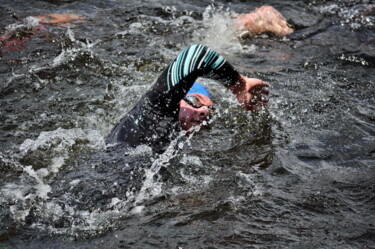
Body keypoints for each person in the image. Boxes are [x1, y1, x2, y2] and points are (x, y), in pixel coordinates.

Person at [107, 44, 269, 151]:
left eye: (210, 109)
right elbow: (196, 56)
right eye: (196, 101)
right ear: (178, 98)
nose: (205, 111)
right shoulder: (150, 114)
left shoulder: (172, 145)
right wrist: (239, 85)